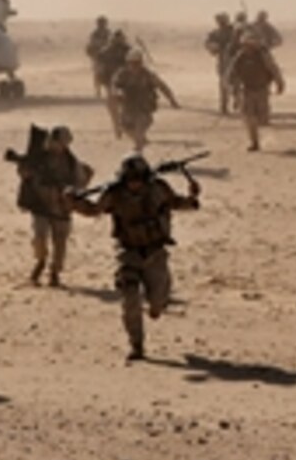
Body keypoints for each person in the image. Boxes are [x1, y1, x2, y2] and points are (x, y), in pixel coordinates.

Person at [69, 153, 201, 361]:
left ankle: (157, 306)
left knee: (157, 301)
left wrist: (192, 198)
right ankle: (137, 345)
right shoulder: (114, 194)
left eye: (138, 179)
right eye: (130, 180)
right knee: (130, 299)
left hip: (155, 252)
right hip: (128, 252)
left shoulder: (158, 189)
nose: (134, 184)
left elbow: (177, 203)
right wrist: (74, 202)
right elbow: (94, 209)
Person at [15, 126, 94, 287]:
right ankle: (40, 262)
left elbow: (81, 182)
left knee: (60, 244)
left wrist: (69, 192)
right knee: (40, 237)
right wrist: (25, 169)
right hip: (41, 205)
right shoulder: (39, 159)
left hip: (61, 207)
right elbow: (24, 174)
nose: (53, 145)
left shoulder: (72, 163)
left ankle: (55, 273)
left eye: (58, 142)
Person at [226, 32, 285, 151]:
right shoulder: (240, 56)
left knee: (263, 118)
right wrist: (233, 88)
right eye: (246, 44)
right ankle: (254, 142)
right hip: (247, 90)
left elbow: (273, 69)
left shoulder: (263, 55)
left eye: (251, 44)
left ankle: (264, 137)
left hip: (262, 89)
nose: (248, 47)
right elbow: (231, 73)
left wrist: (280, 83)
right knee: (249, 117)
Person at [112, 49, 179, 151]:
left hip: (143, 107)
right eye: (132, 63)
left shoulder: (147, 75)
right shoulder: (122, 74)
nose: (135, 66)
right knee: (125, 127)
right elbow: (114, 87)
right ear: (128, 63)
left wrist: (172, 100)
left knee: (140, 128)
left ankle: (138, 148)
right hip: (128, 106)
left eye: (137, 63)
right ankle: (140, 141)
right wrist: (118, 94)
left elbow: (162, 86)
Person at [97, 29, 131, 137]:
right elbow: (100, 69)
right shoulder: (106, 52)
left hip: (124, 83)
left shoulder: (127, 50)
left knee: (121, 107)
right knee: (115, 107)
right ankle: (117, 127)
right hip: (112, 82)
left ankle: (119, 126)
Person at [204, 12, 236, 115]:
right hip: (223, 61)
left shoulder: (235, 31)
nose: (221, 22)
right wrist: (214, 48)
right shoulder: (215, 33)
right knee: (224, 84)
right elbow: (208, 45)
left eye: (222, 20)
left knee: (236, 83)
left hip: (236, 60)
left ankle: (237, 102)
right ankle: (224, 107)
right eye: (219, 20)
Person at [85, 16, 112, 98]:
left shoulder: (109, 33)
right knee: (97, 75)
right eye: (100, 23)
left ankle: (108, 91)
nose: (102, 25)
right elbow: (90, 46)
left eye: (103, 23)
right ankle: (98, 91)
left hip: (107, 58)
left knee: (109, 75)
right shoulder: (94, 34)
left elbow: (111, 44)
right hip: (98, 58)